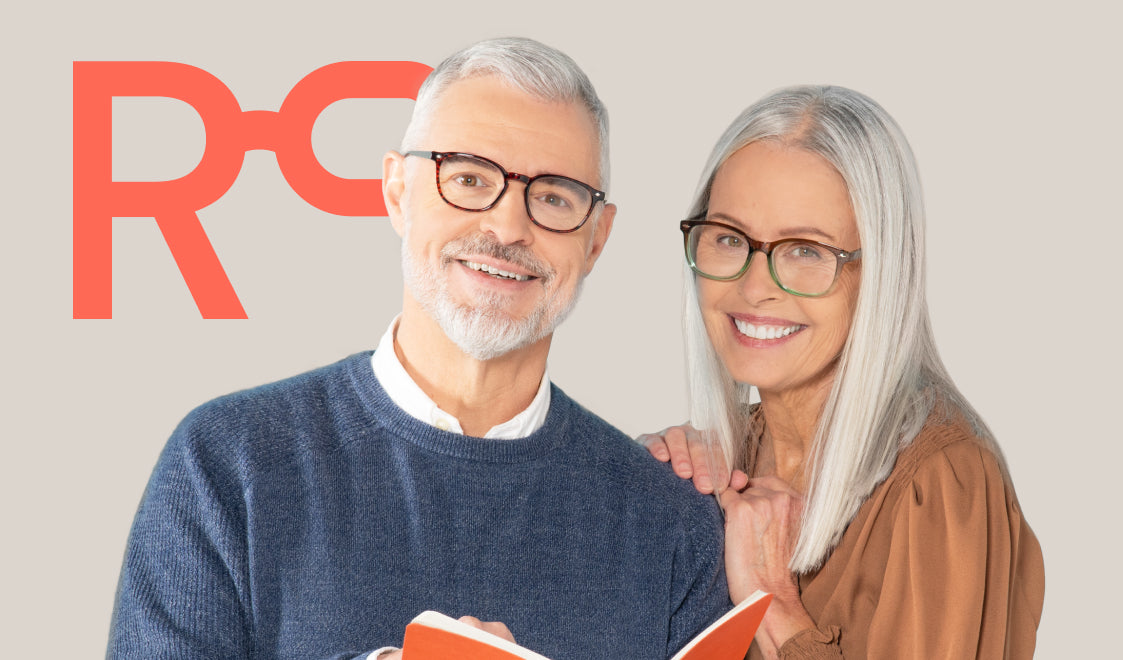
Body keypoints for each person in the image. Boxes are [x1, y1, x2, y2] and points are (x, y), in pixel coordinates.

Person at [109, 37, 731, 659]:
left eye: (553, 197)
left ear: (597, 240)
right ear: (397, 192)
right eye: (467, 178)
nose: (508, 227)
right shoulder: (227, 463)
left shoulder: (671, 525)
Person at [639, 85, 1044, 659]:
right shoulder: (732, 457)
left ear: (881, 273)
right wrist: (642, 495)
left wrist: (772, 604)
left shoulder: (943, 481)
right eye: (730, 239)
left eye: (806, 250)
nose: (755, 288)